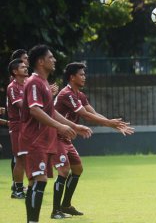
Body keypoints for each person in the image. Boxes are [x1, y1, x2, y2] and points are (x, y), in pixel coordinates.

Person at [51, 62, 134, 219]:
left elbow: (93, 113)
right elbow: (86, 115)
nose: (84, 77)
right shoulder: (66, 93)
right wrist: (110, 123)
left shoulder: (80, 95)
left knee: (77, 169)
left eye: (84, 74)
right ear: (71, 77)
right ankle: (55, 211)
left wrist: (114, 125)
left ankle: (66, 206)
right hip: (54, 136)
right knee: (63, 170)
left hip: (66, 138)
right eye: (81, 74)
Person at [20, 44, 92, 223]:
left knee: (36, 182)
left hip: (44, 140)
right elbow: (35, 110)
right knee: (39, 180)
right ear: (41, 61)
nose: (54, 60)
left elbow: (51, 112)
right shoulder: (35, 82)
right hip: (34, 140)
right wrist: (60, 127)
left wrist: (74, 127)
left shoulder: (44, 83)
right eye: (51, 57)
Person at [6, 58, 28, 199]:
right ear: (15, 71)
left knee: (26, 158)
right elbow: (22, 106)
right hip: (18, 127)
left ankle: (23, 188)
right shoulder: (12, 87)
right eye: (22, 67)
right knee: (20, 159)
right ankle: (17, 190)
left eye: (26, 66)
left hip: (27, 126)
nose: (26, 68)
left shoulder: (26, 84)